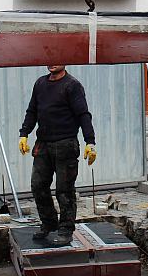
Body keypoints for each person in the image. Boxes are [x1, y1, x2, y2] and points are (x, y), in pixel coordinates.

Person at [17, 65, 97, 246]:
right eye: (49, 57)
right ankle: (49, 222)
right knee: (38, 186)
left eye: (58, 56)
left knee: (65, 190)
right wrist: (24, 133)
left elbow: (84, 115)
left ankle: (66, 229)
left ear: (66, 59)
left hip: (66, 145)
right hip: (43, 144)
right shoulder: (40, 84)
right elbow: (32, 111)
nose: (53, 61)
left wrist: (90, 142)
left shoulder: (72, 86)